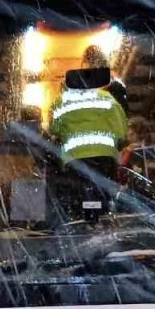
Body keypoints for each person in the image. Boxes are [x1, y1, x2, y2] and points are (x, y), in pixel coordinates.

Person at [48, 51, 129, 221]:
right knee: (101, 192)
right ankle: (99, 218)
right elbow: (121, 130)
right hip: (104, 157)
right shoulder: (107, 98)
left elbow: (54, 129)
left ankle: (85, 218)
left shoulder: (59, 102)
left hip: (75, 159)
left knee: (81, 192)